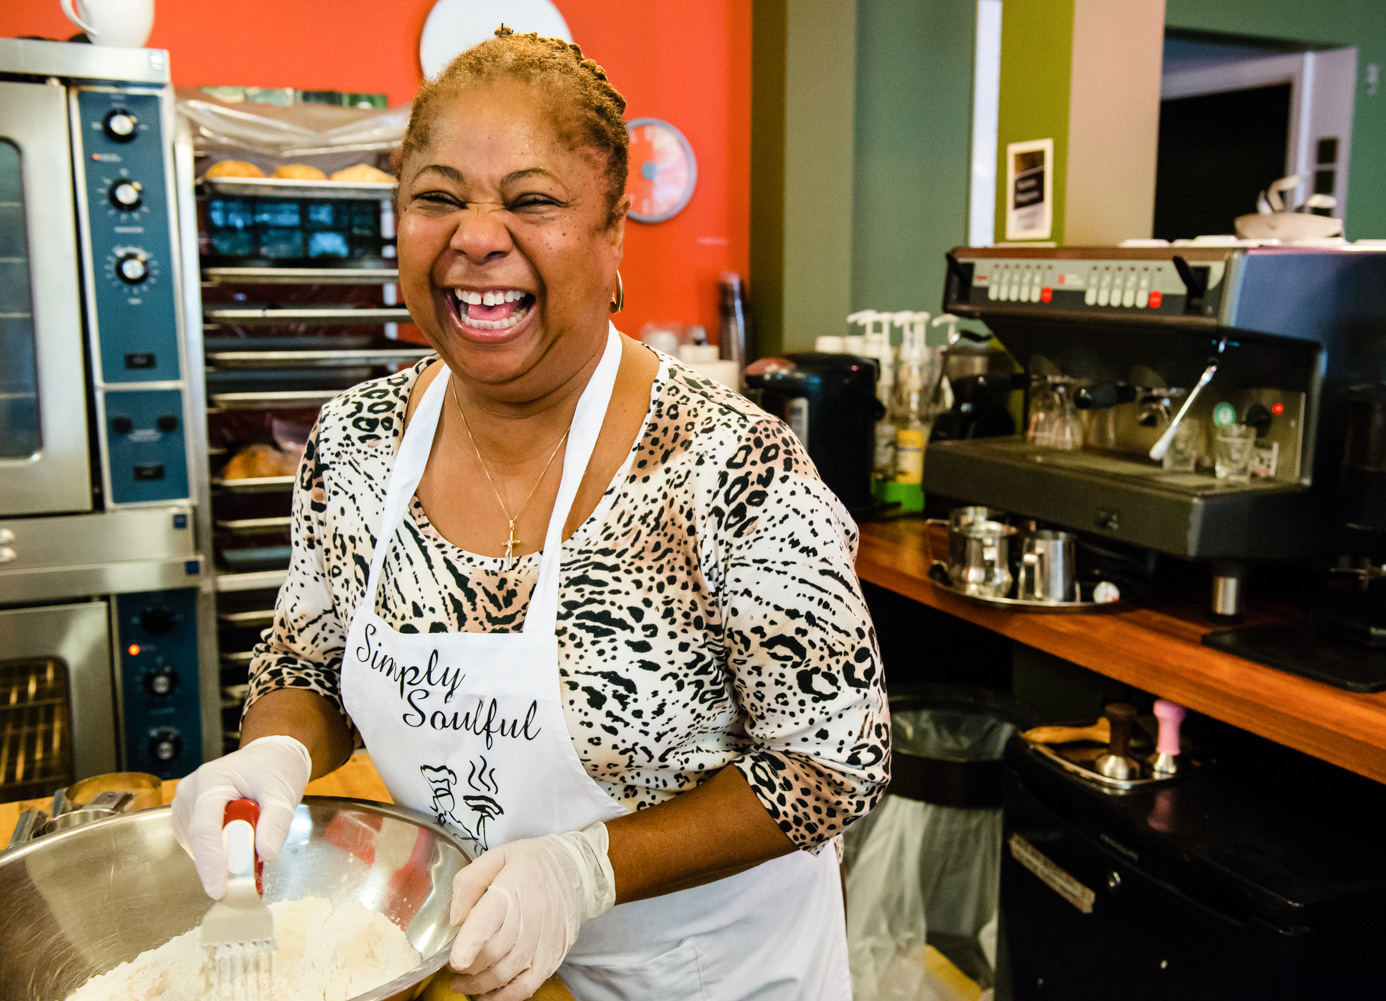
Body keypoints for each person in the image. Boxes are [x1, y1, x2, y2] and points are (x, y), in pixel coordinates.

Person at [171, 26, 891, 1001]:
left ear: (611, 237)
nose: (475, 236)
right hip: (463, 962)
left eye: (531, 199)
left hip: (714, 978)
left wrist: (585, 867)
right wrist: (273, 753)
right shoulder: (356, 444)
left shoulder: (730, 471)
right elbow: (306, 664)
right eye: (437, 197)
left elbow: (834, 760)